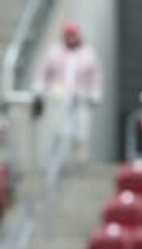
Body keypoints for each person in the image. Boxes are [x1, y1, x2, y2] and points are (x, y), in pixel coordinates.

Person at [34, 22, 102, 177]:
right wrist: (39, 91)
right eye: (68, 36)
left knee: (81, 132)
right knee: (58, 131)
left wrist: (95, 94)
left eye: (74, 36)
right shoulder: (54, 52)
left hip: (80, 98)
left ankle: (79, 163)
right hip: (59, 98)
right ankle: (55, 163)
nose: (71, 39)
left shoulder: (88, 53)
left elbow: (95, 76)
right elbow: (43, 73)